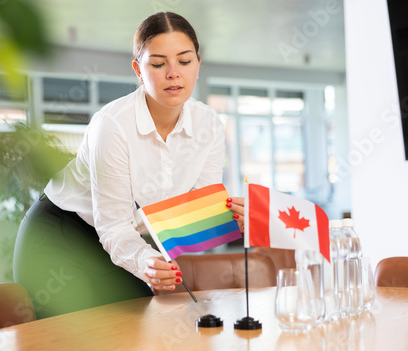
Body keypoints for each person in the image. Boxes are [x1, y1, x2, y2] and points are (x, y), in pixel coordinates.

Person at [13, 11, 244, 319]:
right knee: (78, 335)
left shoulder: (210, 126)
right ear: (138, 69)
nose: (173, 73)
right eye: (159, 64)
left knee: (140, 325)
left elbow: (194, 209)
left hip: (122, 240)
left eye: (185, 61)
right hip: (61, 233)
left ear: (198, 64)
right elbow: (114, 226)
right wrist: (145, 261)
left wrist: (229, 219)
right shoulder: (112, 125)